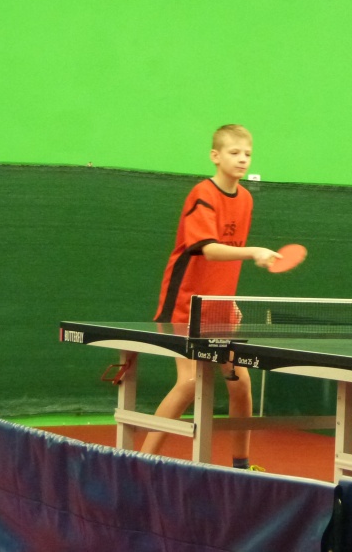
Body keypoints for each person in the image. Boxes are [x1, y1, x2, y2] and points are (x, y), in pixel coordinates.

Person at [142, 124, 281, 470]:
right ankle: (140, 461)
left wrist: (227, 299)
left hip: (219, 309)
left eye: (247, 154)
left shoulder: (245, 200)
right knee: (190, 383)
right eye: (234, 153)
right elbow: (209, 250)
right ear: (215, 156)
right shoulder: (202, 194)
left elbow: (227, 262)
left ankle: (241, 466)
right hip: (185, 303)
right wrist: (254, 252)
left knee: (241, 384)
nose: (242, 159)